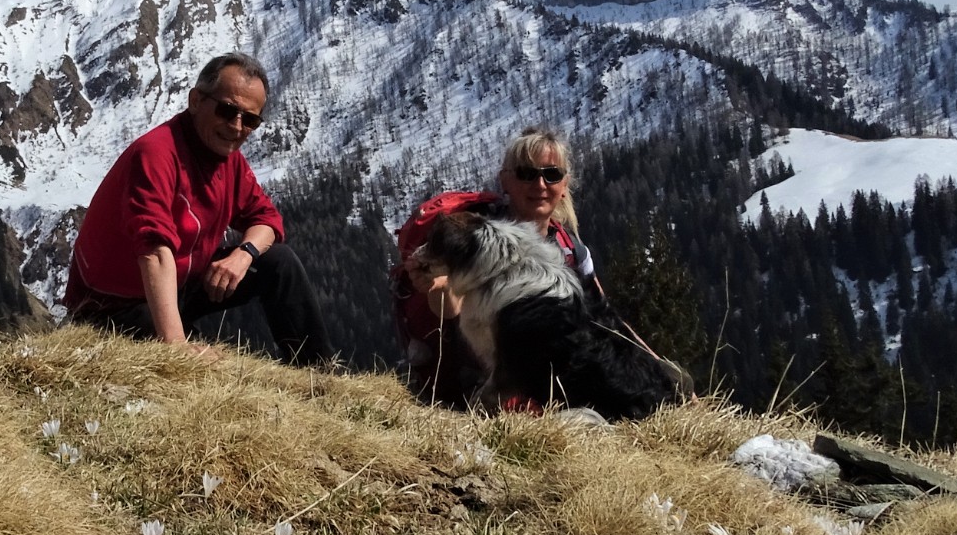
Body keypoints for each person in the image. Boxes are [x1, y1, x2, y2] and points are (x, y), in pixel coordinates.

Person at [63, 53, 336, 367]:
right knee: (211, 370)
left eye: (250, 120)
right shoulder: (156, 154)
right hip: (113, 305)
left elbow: (267, 221)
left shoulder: (227, 157)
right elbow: (154, 252)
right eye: (227, 110)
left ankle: (319, 371)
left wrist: (244, 253)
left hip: (181, 283)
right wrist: (177, 346)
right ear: (196, 101)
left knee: (279, 261)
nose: (236, 127)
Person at [395, 126, 602, 405]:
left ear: (564, 185)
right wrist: (438, 286)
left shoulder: (571, 249)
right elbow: (449, 308)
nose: (540, 185)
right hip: (475, 391)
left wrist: (657, 363)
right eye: (526, 174)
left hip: (544, 392)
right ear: (505, 181)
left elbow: (603, 315)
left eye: (551, 175)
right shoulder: (473, 238)